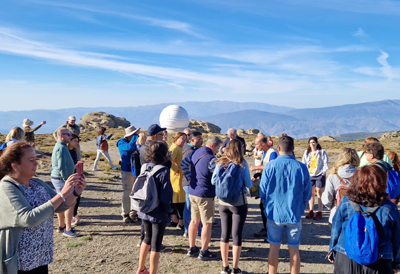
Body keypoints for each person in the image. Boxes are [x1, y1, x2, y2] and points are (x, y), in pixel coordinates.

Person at [0, 142, 86, 274]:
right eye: (31, 160)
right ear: (15, 166)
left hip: (40, 256)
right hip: (21, 261)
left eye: (36, 159)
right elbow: (28, 218)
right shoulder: (7, 187)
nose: (36, 163)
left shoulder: (36, 182)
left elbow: (60, 206)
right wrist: (62, 193)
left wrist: (75, 192)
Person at [328, 165, 400, 273]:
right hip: (379, 259)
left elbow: (336, 228)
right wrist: (396, 262)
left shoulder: (346, 202)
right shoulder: (389, 208)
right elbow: (397, 238)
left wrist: (332, 250)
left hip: (346, 255)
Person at [259, 136, 312, 274]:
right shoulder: (302, 167)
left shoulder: (269, 166)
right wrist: (301, 206)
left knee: (274, 247)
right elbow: (307, 192)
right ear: (293, 149)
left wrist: (267, 206)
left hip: (274, 213)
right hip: (294, 213)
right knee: (294, 249)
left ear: (279, 148)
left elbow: (262, 191)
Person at [211, 139, 253, 274]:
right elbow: (249, 184)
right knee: (236, 235)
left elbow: (213, 181)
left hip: (223, 202)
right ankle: (235, 268)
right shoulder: (241, 164)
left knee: (224, 234)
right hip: (238, 202)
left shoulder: (221, 162)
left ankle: (224, 267)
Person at [182, 135, 223, 261]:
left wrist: (190, 179)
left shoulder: (196, 152)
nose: (218, 151)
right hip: (205, 194)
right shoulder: (211, 159)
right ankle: (204, 251)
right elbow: (215, 177)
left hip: (193, 191)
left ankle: (192, 247)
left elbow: (183, 163)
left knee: (194, 221)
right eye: (218, 148)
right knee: (207, 223)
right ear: (212, 145)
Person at [136, 141, 173, 274]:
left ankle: (140, 268)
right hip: (158, 212)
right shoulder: (163, 171)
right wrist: (171, 211)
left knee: (146, 238)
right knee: (156, 245)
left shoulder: (145, 166)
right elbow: (166, 195)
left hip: (145, 208)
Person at [51, 128, 79, 237]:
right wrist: (68, 180)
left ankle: (62, 225)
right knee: (69, 202)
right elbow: (61, 165)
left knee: (61, 200)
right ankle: (68, 228)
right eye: (68, 135)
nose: (70, 137)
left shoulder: (60, 146)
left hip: (58, 178)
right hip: (62, 179)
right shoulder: (61, 148)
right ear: (62, 136)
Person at [249, 135, 278, 238]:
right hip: (264, 183)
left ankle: (271, 231)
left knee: (268, 207)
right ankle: (266, 228)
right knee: (262, 206)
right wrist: (257, 175)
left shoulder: (272, 153)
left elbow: (271, 166)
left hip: (271, 186)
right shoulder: (265, 153)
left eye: (257, 144)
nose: (256, 146)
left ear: (263, 143)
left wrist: (256, 167)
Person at [321, 148, 359, 224]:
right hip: (357, 216)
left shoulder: (333, 176)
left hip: (336, 215)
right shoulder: (361, 176)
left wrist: (332, 207)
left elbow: (326, 200)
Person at [116, 125, 141, 223]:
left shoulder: (134, 142)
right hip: (127, 170)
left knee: (135, 192)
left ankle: (133, 212)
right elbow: (129, 148)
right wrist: (135, 136)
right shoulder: (121, 143)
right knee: (127, 192)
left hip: (135, 170)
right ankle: (125, 213)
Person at [182, 131, 203, 238]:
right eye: (199, 139)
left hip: (188, 183)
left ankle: (188, 230)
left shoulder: (190, 149)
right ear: (193, 140)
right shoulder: (190, 151)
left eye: (202, 138)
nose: (201, 140)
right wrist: (191, 179)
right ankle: (195, 232)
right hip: (190, 183)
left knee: (189, 206)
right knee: (193, 208)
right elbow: (184, 165)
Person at [302, 136, 329, 220]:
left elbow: (325, 163)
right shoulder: (307, 153)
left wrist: (323, 173)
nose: (312, 144)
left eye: (314, 142)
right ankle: (311, 210)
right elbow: (304, 163)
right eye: (310, 142)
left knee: (319, 194)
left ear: (317, 143)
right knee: (311, 194)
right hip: (310, 175)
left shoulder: (321, 152)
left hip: (319, 175)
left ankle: (320, 211)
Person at [169, 132, 187, 230]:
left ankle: (175, 220)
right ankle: (180, 221)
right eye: (182, 138)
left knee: (177, 199)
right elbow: (169, 160)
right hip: (177, 177)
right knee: (179, 199)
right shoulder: (175, 148)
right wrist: (177, 169)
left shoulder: (178, 148)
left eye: (185, 139)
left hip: (179, 176)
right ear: (176, 138)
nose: (184, 140)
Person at [68, 134, 83, 226]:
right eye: (75, 141)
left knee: (78, 195)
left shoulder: (74, 151)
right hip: (69, 176)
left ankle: (74, 214)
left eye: (78, 141)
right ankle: (70, 218)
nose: (77, 143)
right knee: (71, 197)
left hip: (76, 175)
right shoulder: (66, 151)